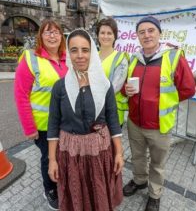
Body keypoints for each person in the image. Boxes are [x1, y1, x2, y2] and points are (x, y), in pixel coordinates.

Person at [122, 16, 196, 211]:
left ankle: (155, 194)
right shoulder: (133, 58)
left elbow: (188, 89)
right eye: (142, 32)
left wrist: (164, 100)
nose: (146, 35)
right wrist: (125, 90)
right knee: (137, 157)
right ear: (137, 36)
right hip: (135, 122)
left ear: (159, 33)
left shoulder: (172, 57)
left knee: (157, 163)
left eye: (150, 30)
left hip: (159, 125)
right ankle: (139, 181)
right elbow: (124, 86)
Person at [47, 29, 124, 211]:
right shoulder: (60, 87)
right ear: (68, 53)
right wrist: (52, 160)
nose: (80, 56)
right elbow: (53, 124)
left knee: (98, 193)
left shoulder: (104, 84)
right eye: (74, 50)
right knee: (76, 195)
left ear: (92, 52)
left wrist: (119, 153)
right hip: (71, 153)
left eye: (85, 50)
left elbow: (113, 120)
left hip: (99, 151)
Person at [14, 19, 67, 210]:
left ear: (61, 36)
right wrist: (29, 128)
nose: (52, 36)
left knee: (62, 156)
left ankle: (60, 181)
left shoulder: (66, 58)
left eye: (56, 32)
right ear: (41, 36)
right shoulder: (30, 58)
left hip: (65, 123)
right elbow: (21, 95)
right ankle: (50, 189)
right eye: (47, 32)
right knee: (48, 158)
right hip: (43, 125)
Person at [96, 18, 129, 126]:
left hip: (111, 114)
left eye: (109, 33)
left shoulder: (121, 58)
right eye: (102, 33)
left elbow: (114, 88)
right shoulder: (92, 56)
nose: (105, 36)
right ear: (97, 35)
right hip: (92, 113)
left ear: (115, 36)